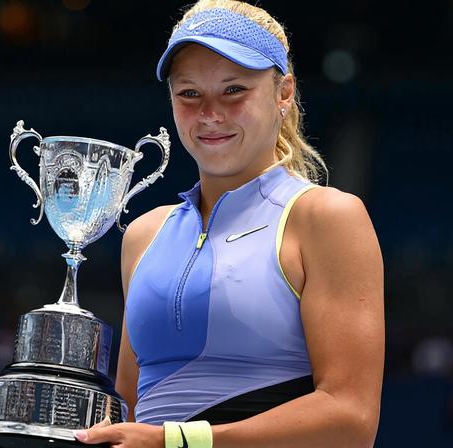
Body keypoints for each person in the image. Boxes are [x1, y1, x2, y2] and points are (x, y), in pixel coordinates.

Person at [76, 1, 385, 447]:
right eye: (189, 94)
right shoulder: (144, 234)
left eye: (234, 90)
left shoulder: (324, 218)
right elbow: (127, 414)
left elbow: (351, 418)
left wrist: (180, 442)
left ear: (284, 93)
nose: (210, 114)